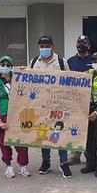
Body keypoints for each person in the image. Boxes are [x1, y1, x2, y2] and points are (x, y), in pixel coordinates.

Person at [30, 35, 72, 179]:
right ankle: (45, 162)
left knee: (60, 131)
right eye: (42, 46)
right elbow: (28, 80)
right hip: (41, 105)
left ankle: (64, 162)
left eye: (47, 46)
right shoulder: (34, 61)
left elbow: (70, 81)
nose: (44, 48)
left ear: (52, 46)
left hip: (58, 104)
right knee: (43, 132)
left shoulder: (61, 62)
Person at [0, 55, 30, 178]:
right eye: (3, 65)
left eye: (8, 65)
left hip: (18, 116)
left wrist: (27, 71)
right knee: (4, 143)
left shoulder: (19, 77)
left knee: (22, 143)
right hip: (3, 116)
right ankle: (8, 166)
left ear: (12, 67)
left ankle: (23, 166)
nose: (5, 67)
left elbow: (32, 82)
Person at [67, 35, 93, 166]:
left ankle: (90, 154)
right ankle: (75, 155)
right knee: (74, 127)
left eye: (83, 43)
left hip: (90, 100)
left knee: (89, 128)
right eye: (79, 42)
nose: (81, 45)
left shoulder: (94, 60)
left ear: (88, 45)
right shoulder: (70, 61)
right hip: (74, 101)